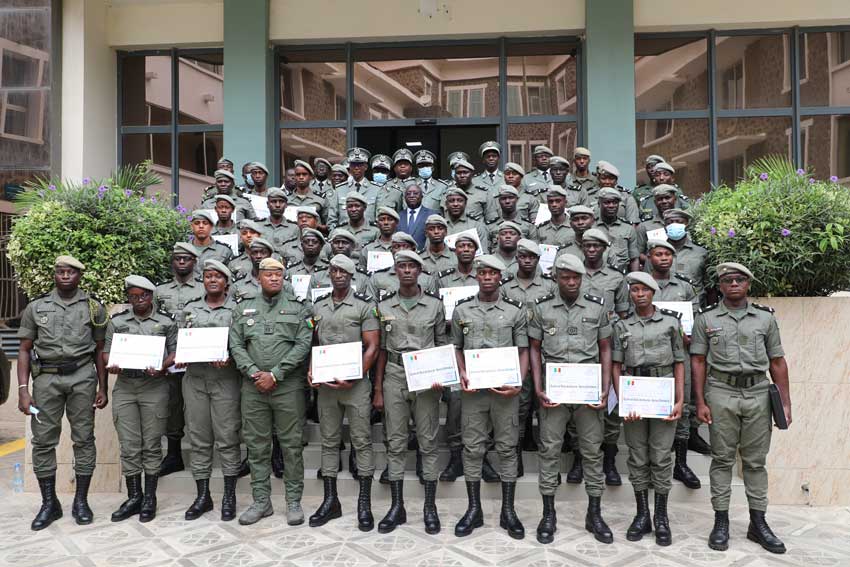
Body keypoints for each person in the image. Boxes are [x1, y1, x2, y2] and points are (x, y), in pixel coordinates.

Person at [691, 262, 792, 554]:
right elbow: (697, 361)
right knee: (722, 459)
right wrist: (700, 401)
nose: (733, 284)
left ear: (748, 284)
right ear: (720, 286)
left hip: (758, 393)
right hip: (721, 392)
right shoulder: (706, 319)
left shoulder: (765, 319)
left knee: (755, 461)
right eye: (727, 280)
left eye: (739, 280)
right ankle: (721, 521)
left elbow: (777, 361)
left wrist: (785, 402)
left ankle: (757, 523)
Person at [17, 255, 108, 530]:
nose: (65, 276)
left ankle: (81, 501)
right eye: (60, 271)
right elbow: (23, 349)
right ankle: (49, 504)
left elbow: (98, 350)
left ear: (80, 276)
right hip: (45, 381)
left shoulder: (93, 308)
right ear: (54, 275)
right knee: (43, 441)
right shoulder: (36, 307)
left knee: (84, 439)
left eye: (70, 272)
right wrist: (23, 390)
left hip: (82, 378)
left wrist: (103, 387)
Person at [529, 253, 613, 545]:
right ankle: (548, 513)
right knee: (550, 450)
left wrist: (605, 389)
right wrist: (539, 388)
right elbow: (535, 350)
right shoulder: (542, 308)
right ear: (557, 278)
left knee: (592, 451)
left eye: (576, 277)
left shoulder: (596, 307)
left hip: (588, 389)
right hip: (555, 388)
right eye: (566, 277)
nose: (572, 282)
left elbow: (605, 349)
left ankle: (594, 513)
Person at [229, 257, 312, 526]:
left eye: (278, 274)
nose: (274, 278)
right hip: (253, 387)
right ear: (258, 277)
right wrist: (254, 371)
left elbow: (303, 345)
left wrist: (276, 374)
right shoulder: (243, 309)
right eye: (268, 274)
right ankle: (261, 502)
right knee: (257, 446)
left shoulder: (299, 309)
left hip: (287, 387)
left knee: (291, 445)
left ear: (284, 277)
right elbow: (236, 345)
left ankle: (293, 502)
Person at [451, 255, 528, 539]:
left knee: (507, 448)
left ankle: (508, 510)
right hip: (474, 392)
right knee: (472, 449)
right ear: (476, 276)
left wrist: (518, 382)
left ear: (500, 277)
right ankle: (474, 510)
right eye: (481, 273)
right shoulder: (462, 311)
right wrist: (461, 373)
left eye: (492, 273)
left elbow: (523, 351)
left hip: (505, 392)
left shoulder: (514, 311)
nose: (486, 277)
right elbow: (456, 348)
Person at [372, 250, 446, 534]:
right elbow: (380, 350)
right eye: (401, 266)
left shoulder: (434, 305)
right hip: (394, 374)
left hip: (425, 378)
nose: (405, 271)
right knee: (395, 441)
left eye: (411, 267)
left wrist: (441, 377)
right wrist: (378, 388)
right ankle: (397, 506)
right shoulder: (386, 305)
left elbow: (441, 345)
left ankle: (430, 507)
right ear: (395, 270)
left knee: (428, 442)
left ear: (419, 271)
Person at [612, 272, 685, 546]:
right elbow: (616, 365)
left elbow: (679, 361)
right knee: (637, 456)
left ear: (653, 292)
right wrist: (622, 399)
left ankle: (661, 517)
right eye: (634, 290)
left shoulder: (670, 322)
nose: (639, 294)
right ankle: (642, 514)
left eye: (644, 290)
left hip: (662, 391)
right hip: (634, 394)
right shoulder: (622, 326)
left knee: (661, 455)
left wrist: (680, 400)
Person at [308, 254, 380, 531]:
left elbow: (372, 346)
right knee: (329, 442)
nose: (338, 274)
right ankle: (331, 501)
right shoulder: (319, 306)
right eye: (334, 270)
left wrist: (357, 374)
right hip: (327, 386)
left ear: (352, 276)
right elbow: (315, 343)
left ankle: (364, 503)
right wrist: (312, 369)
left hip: (355, 385)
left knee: (361, 441)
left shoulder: (364, 306)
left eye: (343, 271)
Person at [104, 275, 177, 523]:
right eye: (134, 296)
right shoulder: (118, 321)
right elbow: (105, 353)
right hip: (125, 386)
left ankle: (150, 498)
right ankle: (134, 496)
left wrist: (163, 365)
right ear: (129, 298)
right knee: (129, 444)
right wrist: (111, 364)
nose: (139, 300)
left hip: (154, 386)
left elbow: (176, 351)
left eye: (144, 295)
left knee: (152, 444)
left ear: (151, 296)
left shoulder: (166, 322)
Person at [177, 260, 242, 521]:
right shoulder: (191, 308)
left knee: (227, 438)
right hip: (194, 380)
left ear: (226, 281)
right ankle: (202, 495)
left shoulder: (237, 310)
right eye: (207, 276)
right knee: (199, 439)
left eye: (217, 276)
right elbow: (182, 339)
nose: (212, 280)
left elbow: (243, 344)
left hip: (225, 380)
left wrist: (231, 358)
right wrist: (180, 355)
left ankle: (229, 494)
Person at [645, 239, 701, 489]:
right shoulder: (639, 286)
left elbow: (694, 319)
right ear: (649, 257)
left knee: (684, 404)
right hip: (646, 353)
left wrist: (689, 334)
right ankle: (650, 461)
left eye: (668, 254)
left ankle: (680, 462)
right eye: (659, 254)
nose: (664, 258)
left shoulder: (685, 287)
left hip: (678, 354)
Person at [499, 239, 557, 473]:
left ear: (537, 260)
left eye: (532, 257)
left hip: (545, 352)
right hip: (515, 353)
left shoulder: (549, 286)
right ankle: (518, 454)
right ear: (517, 259)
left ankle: (547, 459)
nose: (527, 260)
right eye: (523, 257)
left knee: (546, 406)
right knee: (519, 407)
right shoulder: (505, 287)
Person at [154, 243, 206, 476]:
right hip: (170, 356)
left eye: (186, 259)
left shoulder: (205, 287)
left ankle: (203, 454)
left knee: (200, 408)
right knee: (172, 404)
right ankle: (174, 454)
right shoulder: (160, 290)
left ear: (195, 261)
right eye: (177, 259)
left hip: (199, 355)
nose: (182, 262)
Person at [330, 147, 379, 226]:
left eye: (360, 165)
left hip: (369, 235)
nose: (356, 168)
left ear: (366, 167)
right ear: (350, 166)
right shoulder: (340, 189)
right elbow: (332, 218)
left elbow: (379, 218)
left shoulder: (376, 189)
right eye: (353, 164)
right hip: (344, 234)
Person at [595, 187, 640, 272]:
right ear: (599, 204)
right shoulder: (591, 227)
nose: (611, 206)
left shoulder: (628, 229)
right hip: (598, 276)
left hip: (622, 275)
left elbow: (634, 259)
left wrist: (634, 279)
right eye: (607, 202)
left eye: (615, 203)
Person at [444, 159, 497, 223]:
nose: (462, 176)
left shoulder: (484, 193)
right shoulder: (447, 195)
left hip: (477, 231)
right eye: (459, 173)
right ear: (454, 175)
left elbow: (491, 220)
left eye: (465, 172)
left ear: (472, 174)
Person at [443, 187, 490, 254]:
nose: (455, 204)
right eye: (451, 201)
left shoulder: (476, 226)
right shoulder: (440, 227)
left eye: (460, 200)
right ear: (446, 204)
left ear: (465, 203)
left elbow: (483, 254)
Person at [190, 210, 234, 275]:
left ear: (211, 227)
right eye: (197, 223)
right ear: (191, 227)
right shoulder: (184, 250)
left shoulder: (224, 251)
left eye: (205, 223)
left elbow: (230, 277)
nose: (201, 226)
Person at [260, 187, 300, 252]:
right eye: (274, 201)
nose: (277, 205)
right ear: (267, 204)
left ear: (286, 205)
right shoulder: (258, 226)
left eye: (281, 202)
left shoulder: (295, 229)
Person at [359, 206, 398, 271]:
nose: (386, 223)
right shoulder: (367, 249)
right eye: (382, 220)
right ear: (377, 224)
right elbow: (362, 276)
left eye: (390, 219)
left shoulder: (403, 247)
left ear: (396, 223)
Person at [398, 184, 436, 250]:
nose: (412, 196)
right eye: (408, 194)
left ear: (422, 196)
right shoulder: (398, 216)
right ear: (404, 197)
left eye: (415, 193)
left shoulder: (432, 215)